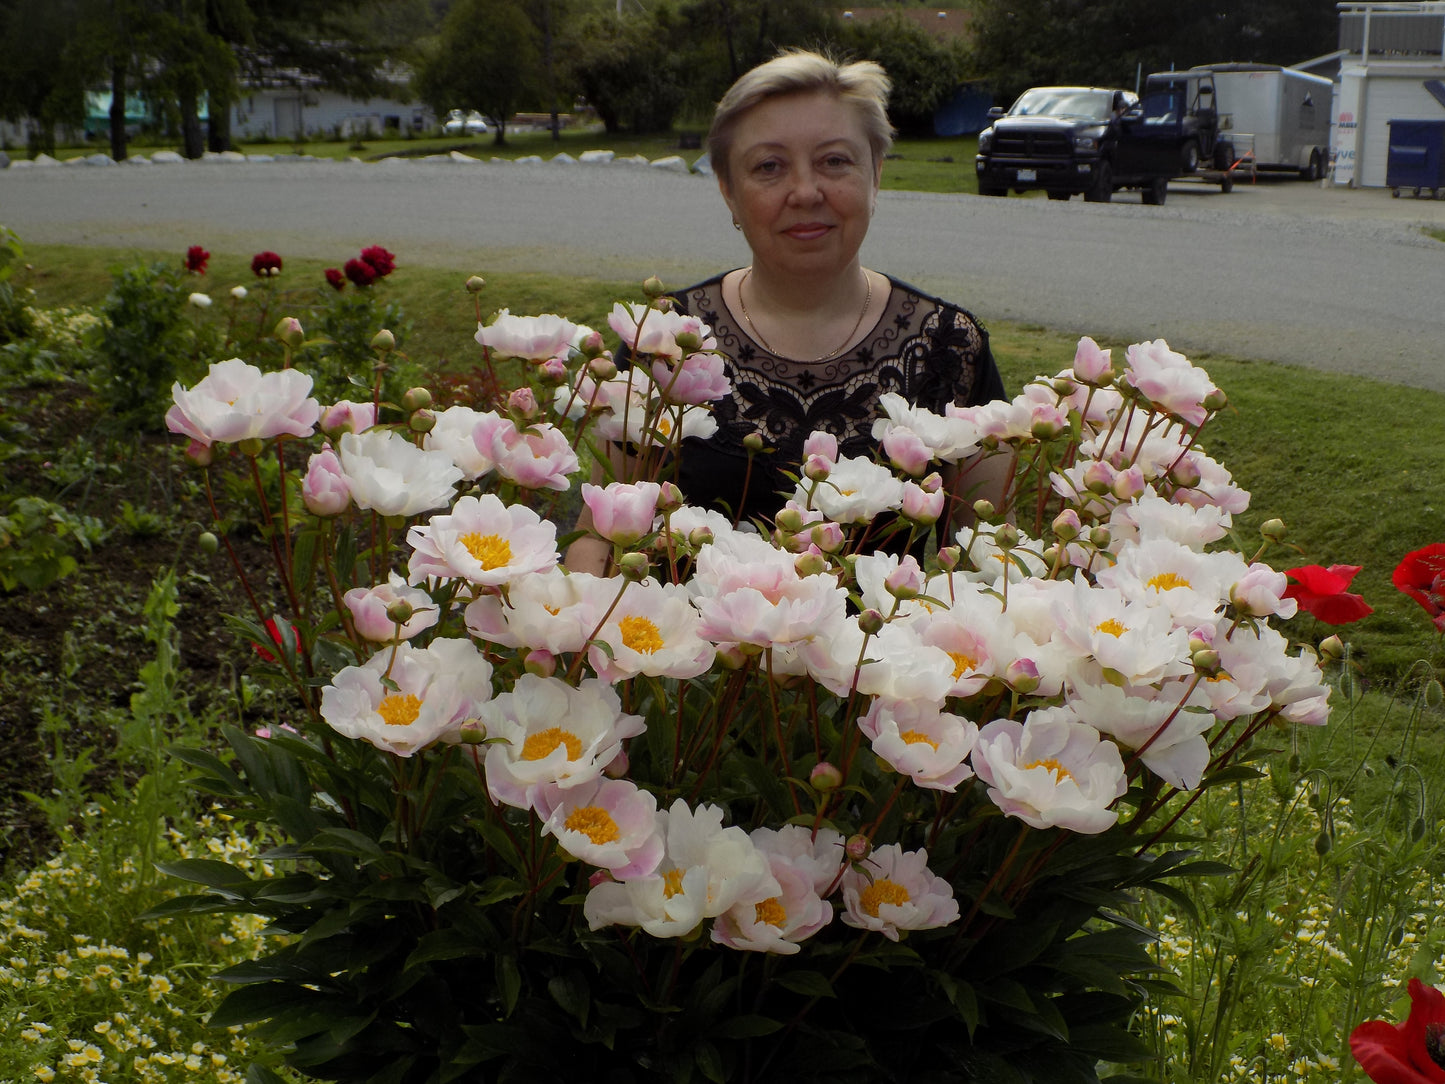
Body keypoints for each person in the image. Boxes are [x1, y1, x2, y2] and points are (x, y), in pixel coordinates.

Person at [567, 49, 1008, 574]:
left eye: (835, 160)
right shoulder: (664, 341)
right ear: (729, 190)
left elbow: (987, 564)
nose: (805, 191)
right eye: (769, 166)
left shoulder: (947, 348)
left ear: (876, 175)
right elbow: (598, 539)